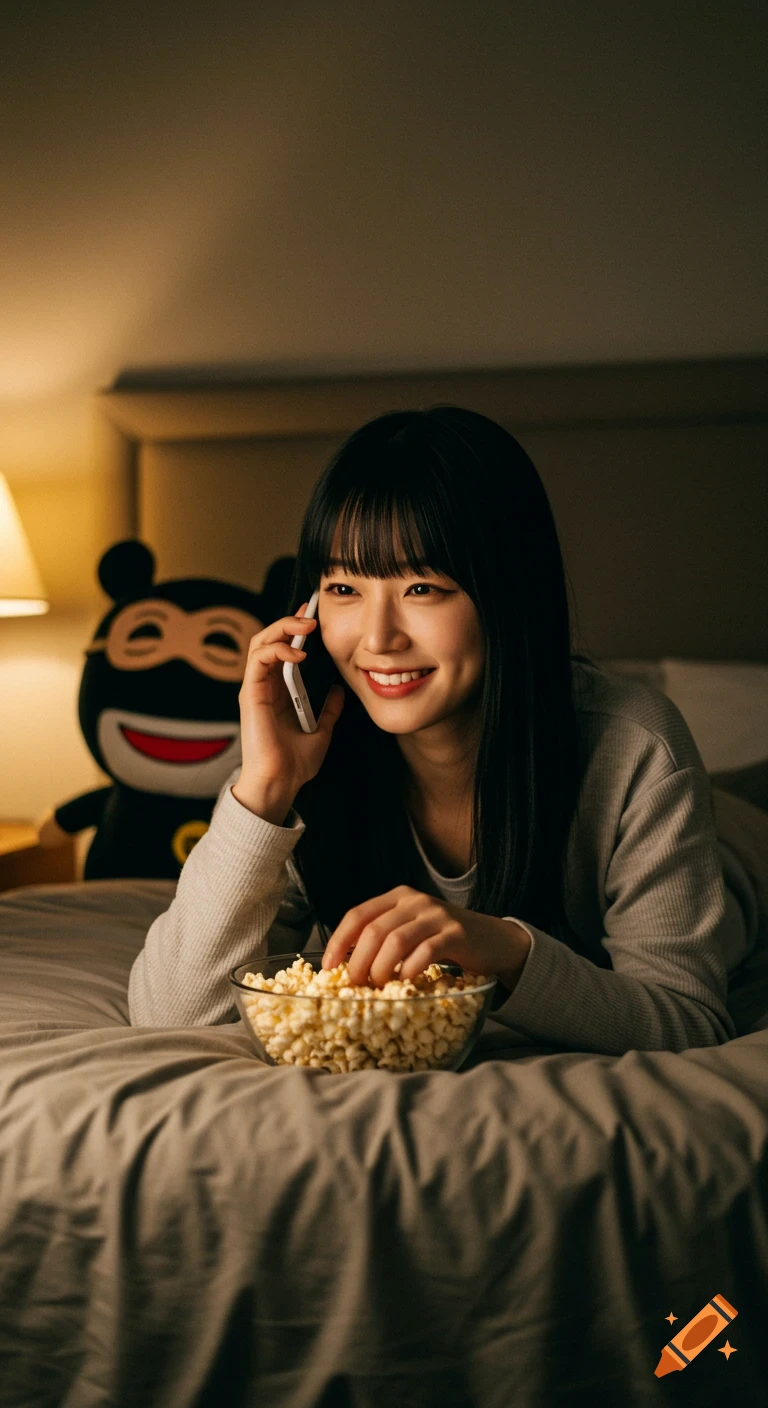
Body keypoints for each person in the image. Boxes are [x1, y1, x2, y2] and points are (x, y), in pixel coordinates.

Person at [128, 406, 759, 1054]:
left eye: (423, 588)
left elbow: (689, 1021)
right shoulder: (307, 754)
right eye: (344, 588)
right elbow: (170, 1014)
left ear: (506, 593)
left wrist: (504, 949)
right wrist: (263, 790)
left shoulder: (635, 747)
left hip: (741, 846)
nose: (378, 639)